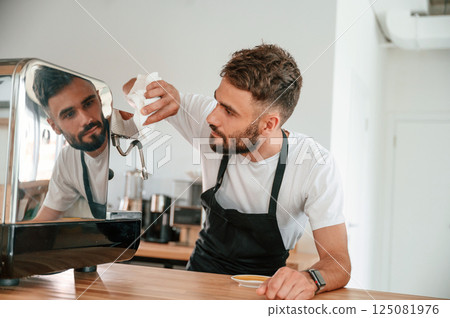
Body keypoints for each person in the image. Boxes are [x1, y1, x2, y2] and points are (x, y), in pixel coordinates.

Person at [123, 44, 351, 300]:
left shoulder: (314, 165)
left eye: (229, 111)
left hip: (263, 292)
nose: (212, 117)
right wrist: (155, 91)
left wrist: (311, 279)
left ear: (268, 124)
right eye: (218, 101)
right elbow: (130, 86)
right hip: (199, 281)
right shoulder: (212, 120)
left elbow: (338, 263)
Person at [32, 66, 110, 221]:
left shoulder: (132, 133)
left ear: (99, 99)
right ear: (54, 126)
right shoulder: (68, 160)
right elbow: (43, 223)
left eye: (88, 103)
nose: (86, 119)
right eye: (70, 114)